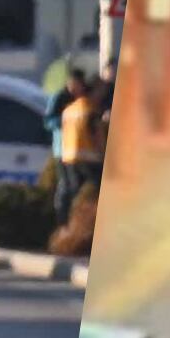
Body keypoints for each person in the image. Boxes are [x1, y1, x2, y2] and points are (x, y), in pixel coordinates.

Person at [56, 75, 107, 227]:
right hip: (90, 159)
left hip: (68, 158)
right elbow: (98, 137)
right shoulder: (91, 110)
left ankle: (67, 225)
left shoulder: (68, 110)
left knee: (73, 194)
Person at [45, 67, 89, 220]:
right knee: (65, 186)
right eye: (75, 83)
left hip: (80, 150)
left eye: (80, 84)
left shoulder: (83, 98)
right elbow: (48, 121)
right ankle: (61, 217)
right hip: (62, 150)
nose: (78, 87)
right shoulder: (59, 97)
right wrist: (65, 121)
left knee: (77, 186)